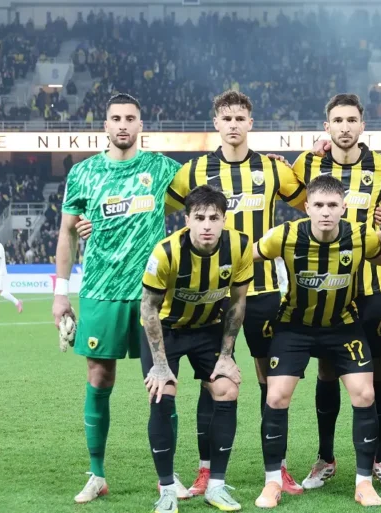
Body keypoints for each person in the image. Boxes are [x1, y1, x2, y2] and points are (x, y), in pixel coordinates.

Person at [164, 90, 307, 496]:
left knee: (269, 381)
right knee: (212, 380)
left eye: (240, 118)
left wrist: (312, 156)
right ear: (216, 123)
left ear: (250, 123)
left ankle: (277, 470)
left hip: (262, 290)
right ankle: (205, 470)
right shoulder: (195, 170)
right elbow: (157, 207)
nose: (233, 124)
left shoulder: (272, 169)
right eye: (226, 118)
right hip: (210, 294)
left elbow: (314, 201)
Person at [51, 93, 184, 503]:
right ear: (105, 125)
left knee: (161, 383)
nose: (123, 124)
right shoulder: (84, 173)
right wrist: (60, 293)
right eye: (116, 118)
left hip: (151, 294)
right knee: (99, 379)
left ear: (140, 125)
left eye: (130, 118)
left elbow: (205, 196)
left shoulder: (162, 168)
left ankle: (168, 477)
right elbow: (67, 233)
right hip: (100, 291)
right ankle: (97, 474)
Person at [252, 175, 381, 509]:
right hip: (294, 327)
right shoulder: (285, 235)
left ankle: (364, 483)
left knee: (365, 394)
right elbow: (247, 256)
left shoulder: (361, 236)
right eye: (319, 205)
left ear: (343, 208)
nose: (325, 212)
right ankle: (272, 482)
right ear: (307, 207)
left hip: (343, 326)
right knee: (275, 396)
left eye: (332, 205)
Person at [291, 94, 381, 491]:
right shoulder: (307, 164)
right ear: (326, 127)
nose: (344, 127)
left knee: (376, 370)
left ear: (362, 125)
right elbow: (289, 195)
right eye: (337, 120)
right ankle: (325, 457)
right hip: (326, 287)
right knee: (326, 368)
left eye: (351, 120)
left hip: (370, 286)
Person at [140, 185, 253, 513]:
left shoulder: (240, 246)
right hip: (166, 330)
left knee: (227, 389)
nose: (206, 225)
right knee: (162, 393)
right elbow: (148, 308)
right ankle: (166, 490)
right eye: (199, 217)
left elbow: (237, 303)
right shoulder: (166, 252)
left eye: (214, 218)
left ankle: (216, 486)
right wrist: (160, 364)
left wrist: (226, 356)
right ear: (186, 219)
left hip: (208, 329)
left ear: (224, 219)